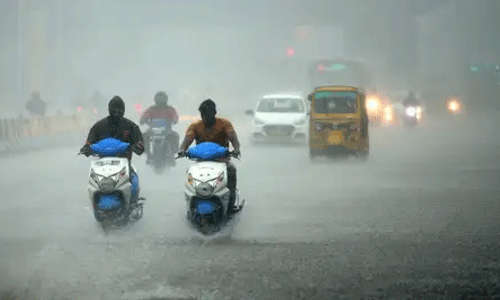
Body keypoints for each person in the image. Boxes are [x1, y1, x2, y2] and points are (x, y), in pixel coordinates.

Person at [178, 99, 242, 214]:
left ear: (214, 113)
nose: (205, 118)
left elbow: (234, 139)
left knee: (231, 171)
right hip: (200, 162)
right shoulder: (195, 126)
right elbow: (186, 141)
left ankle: (231, 206)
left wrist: (236, 149)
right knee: (189, 174)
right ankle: (190, 205)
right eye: (203, 115)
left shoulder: (225, 124)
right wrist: (182, 150)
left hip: (222, 161)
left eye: (207, 115)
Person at [80, 96, 145, 202]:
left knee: (134, 179)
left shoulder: (131, 126)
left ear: (123, 110)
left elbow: (140, 143)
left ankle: (132, 202)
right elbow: (89, 143)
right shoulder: (99, 127)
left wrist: (137, 146)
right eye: (114, 108)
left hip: (125, 164)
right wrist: (86, 149)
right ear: (109, 109)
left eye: (119, 108)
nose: (116, 111)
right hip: (103, 165)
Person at [139, 91, 180, 164]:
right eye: (159, 100)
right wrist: (143, 120)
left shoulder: (170, 109)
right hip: (152, 130)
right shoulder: (151, 109)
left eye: (162, 100)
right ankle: (148, 154)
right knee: (144, 136)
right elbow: (144, 117)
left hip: (167, 131)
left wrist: (174, 120)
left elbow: (175, 117)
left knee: (175, 136)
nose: (160, 102)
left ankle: (172, 155)